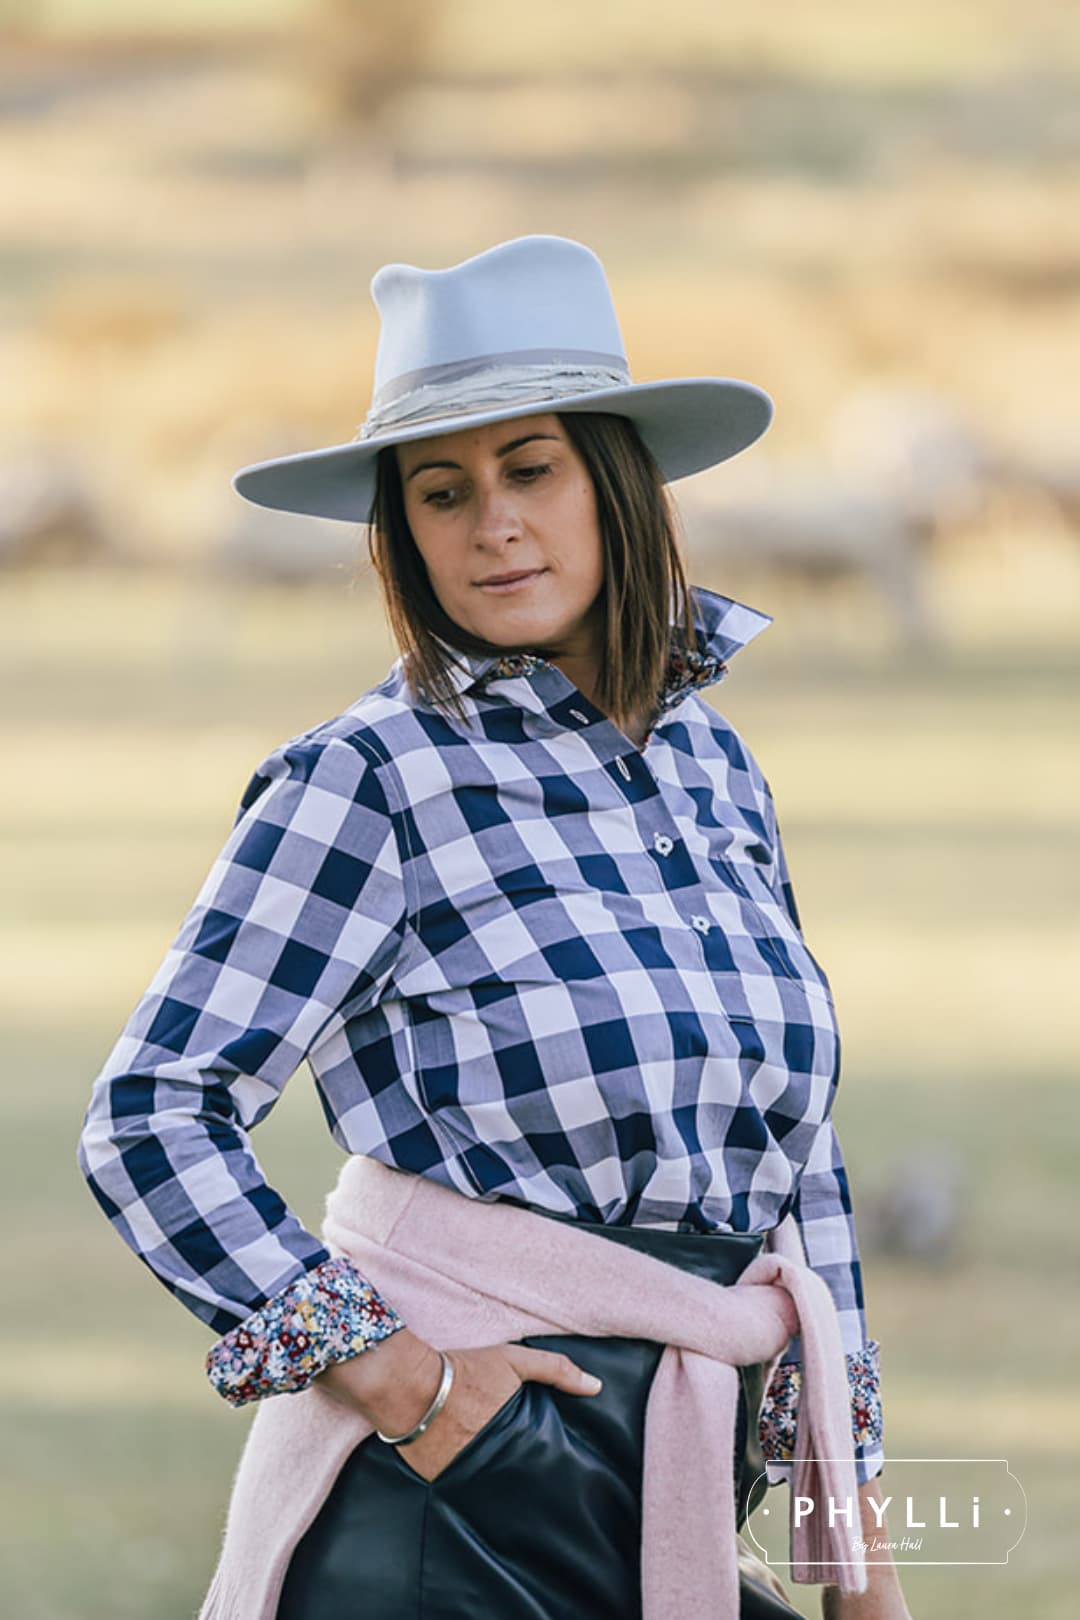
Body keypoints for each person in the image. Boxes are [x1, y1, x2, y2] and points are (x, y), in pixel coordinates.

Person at [77, 235, 912, 1620]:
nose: (493, 525)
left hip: (676, 1485)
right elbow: (152, 1114)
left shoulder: (715, 767)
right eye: (442, 491)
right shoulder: (370, 777)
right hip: (447, 1501)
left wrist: (857, 1553)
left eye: (532, 470)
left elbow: (796, 1169)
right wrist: (405, 1380)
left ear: (616, 484)